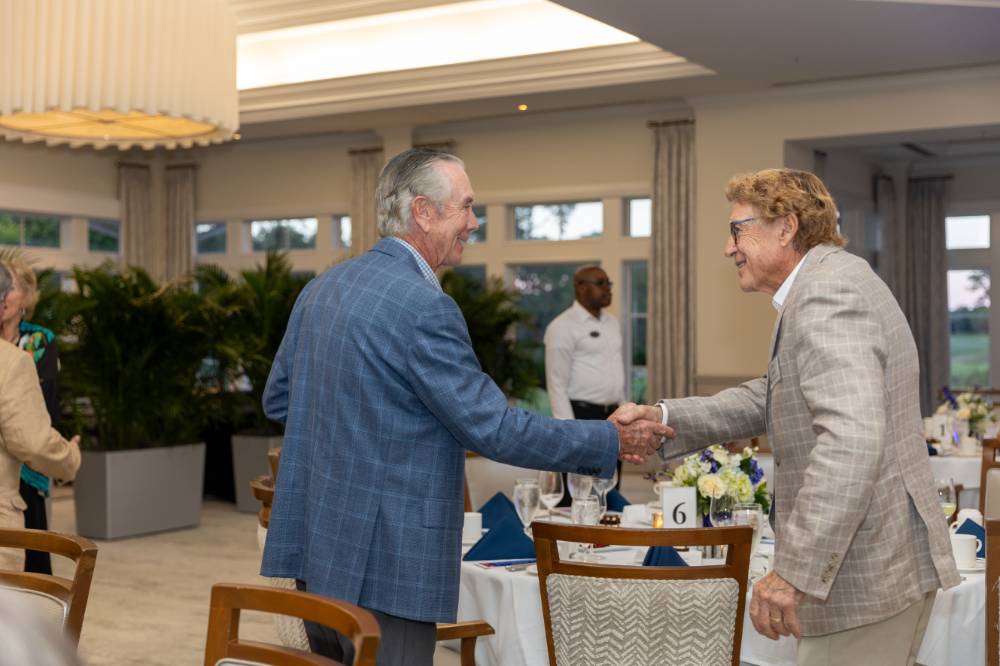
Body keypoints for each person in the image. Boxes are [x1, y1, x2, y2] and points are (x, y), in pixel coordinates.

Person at [260, 148, 668, 666]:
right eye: (467, 207)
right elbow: (494, 428)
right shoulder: (425, 306)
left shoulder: (322, 288)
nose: (473, 223)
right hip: (389, 562)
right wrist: (609, 438)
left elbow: (279, 398)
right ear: (424, 212)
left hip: (320, 547)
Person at [613, 168, 958, 665]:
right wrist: (666, 416)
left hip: (861, 577)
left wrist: (793, 570)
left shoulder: (824, 296)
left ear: (786, 227)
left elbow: (851, 441)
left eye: (738, 230)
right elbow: (771, 396)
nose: (729, 248)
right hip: (877, 568)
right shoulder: (832, 280)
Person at [0, 263, 81, 572]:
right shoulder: (11, 363)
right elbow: (32, 443)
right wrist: (70, 459)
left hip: (28, 472)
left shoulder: (39, 340)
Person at [543, 265, 626, 503]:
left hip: (613, 418)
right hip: (580, 418)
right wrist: (570, 432)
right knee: (579, 496)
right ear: (580, 287)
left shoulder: (613, 323)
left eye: (608, 283)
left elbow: (614, 370)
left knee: (609, 493)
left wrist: (624, 409)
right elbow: (556, 384)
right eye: (600, 283)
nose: (607, 289)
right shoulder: (562, 326)